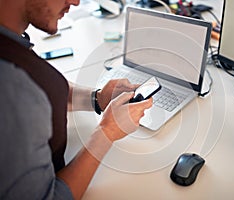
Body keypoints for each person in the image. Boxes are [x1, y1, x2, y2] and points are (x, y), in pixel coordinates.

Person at [0, 0, 153, 199]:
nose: (76, 1)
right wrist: (106, 132)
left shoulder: (11, 38)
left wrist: (97, 98)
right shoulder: (10, 87)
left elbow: (39, 88)